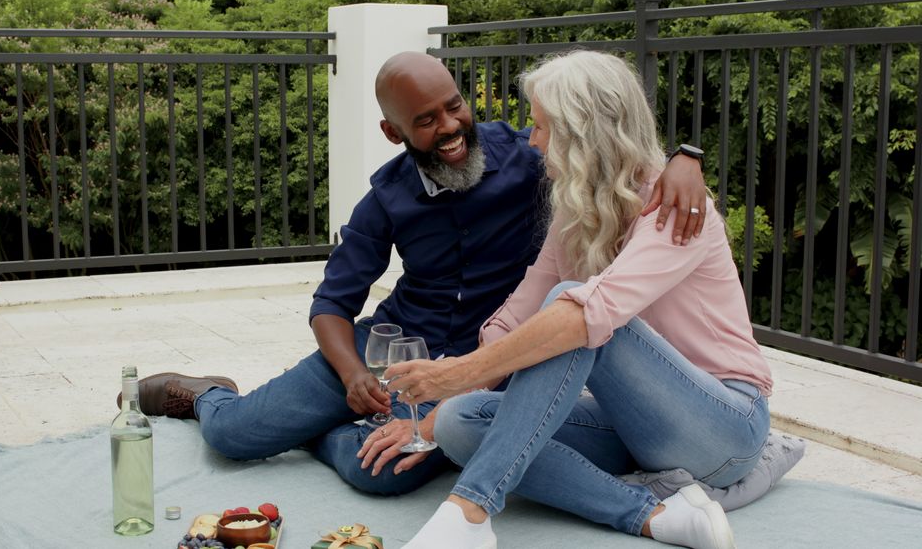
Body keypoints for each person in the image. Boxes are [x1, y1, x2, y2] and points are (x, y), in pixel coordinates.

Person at [119, 51, 707, 496]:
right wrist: (353, 378)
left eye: (455, 106)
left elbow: (608, 136)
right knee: (233, 438)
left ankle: (322, 431)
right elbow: (330, 305)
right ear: (393, 132)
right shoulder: (384, 199)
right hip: (386, 350)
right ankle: (208, 395)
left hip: (483, 363)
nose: (450, 127)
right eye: (425, 120)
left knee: (383, 474)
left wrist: (686, 157)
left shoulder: (531, 160)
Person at [387, 50, 774, 549]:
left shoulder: (676, 208)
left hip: (723, 427)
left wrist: (455, 374)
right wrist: (449, 399)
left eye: (544, 126)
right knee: (462, 423)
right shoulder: (574, 211)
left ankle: (469, 512)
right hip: (634, 427)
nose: (533, 139)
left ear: (583, 133)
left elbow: (585, 314)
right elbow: (515, 315)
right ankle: (654, 516)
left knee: (575, 307)